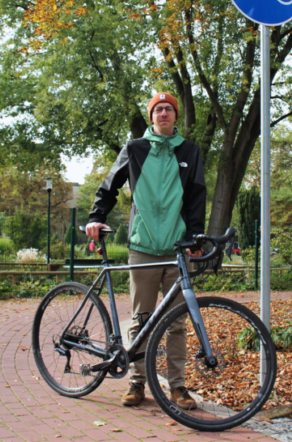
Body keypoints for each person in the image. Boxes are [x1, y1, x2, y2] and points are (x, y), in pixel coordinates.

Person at [85, 91, 207, 409]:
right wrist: (96, 216)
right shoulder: (135, 148)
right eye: (158, 109)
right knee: (142, 319)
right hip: (143, 248)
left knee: (177, 323)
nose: (163, 113)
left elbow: (196, 197)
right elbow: (110, 184)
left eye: (169, 109)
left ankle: (177, 387)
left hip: (177, 250)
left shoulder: (190, 151)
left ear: (175, 117)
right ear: (151, 117)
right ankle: (137, 382)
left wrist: (194, 238)